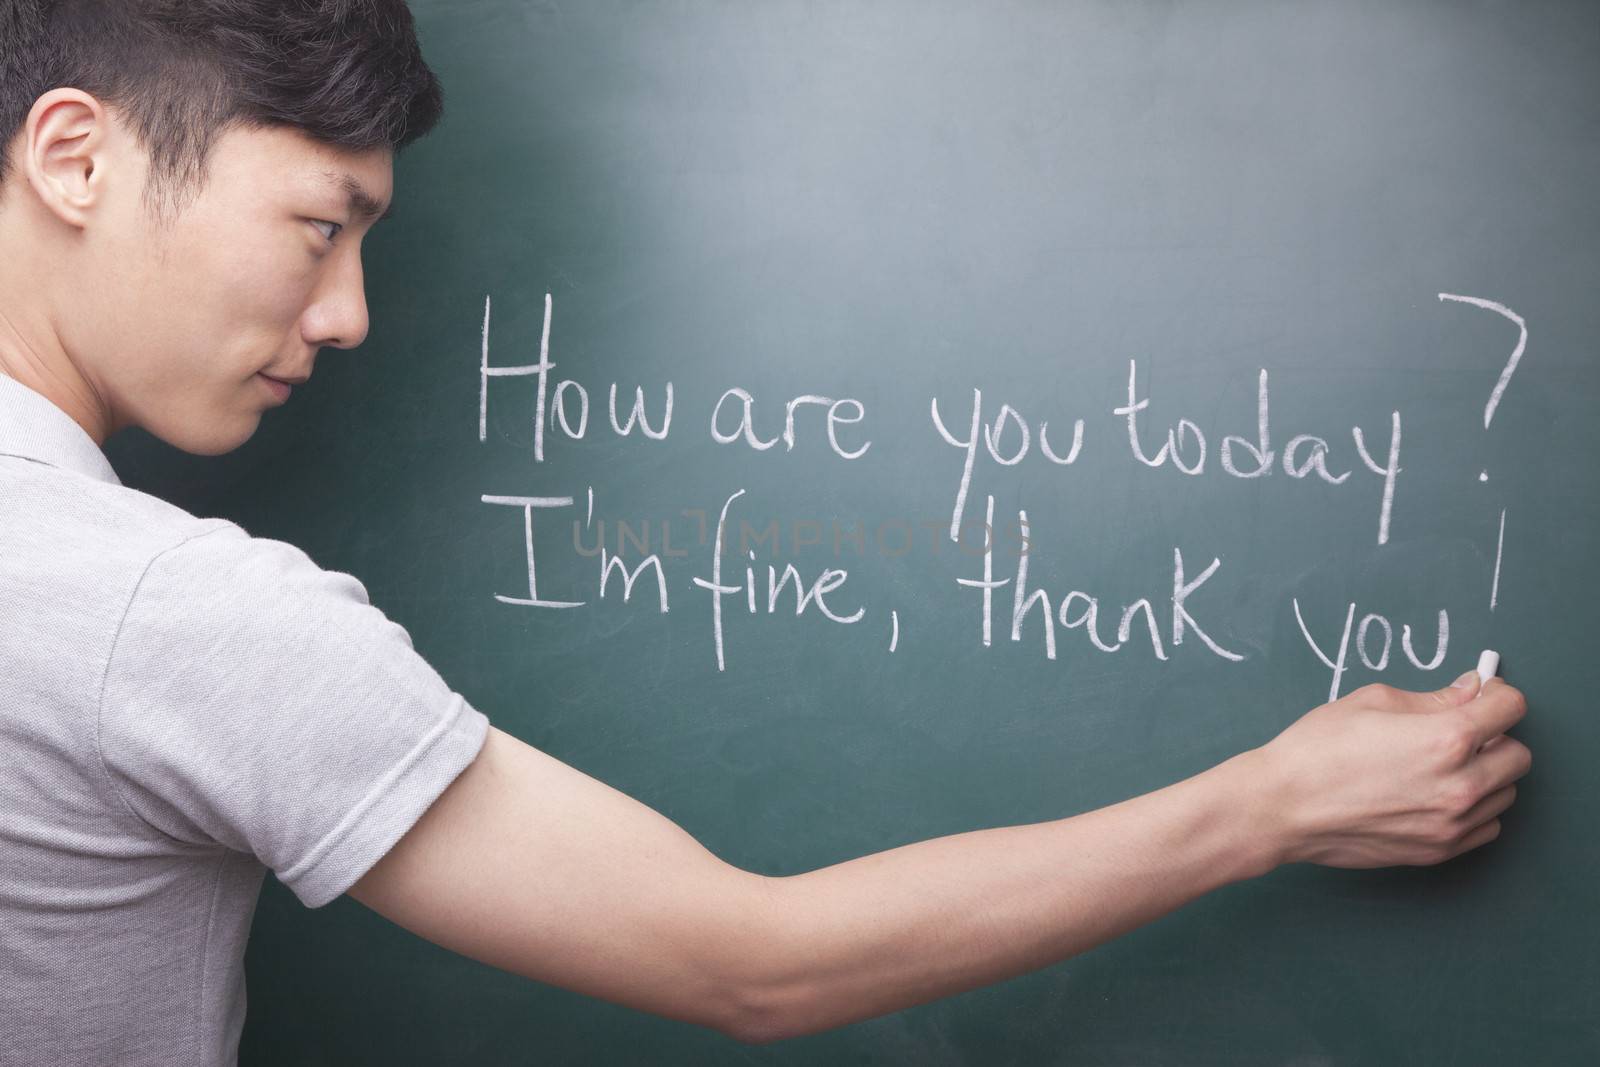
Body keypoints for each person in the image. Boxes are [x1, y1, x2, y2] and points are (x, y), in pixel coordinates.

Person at [0, 1, 1532, 1063]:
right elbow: (753, 961)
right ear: (77, 157)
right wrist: (1271, 803)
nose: (345, 317)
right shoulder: (167, 616)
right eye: (322, 226)